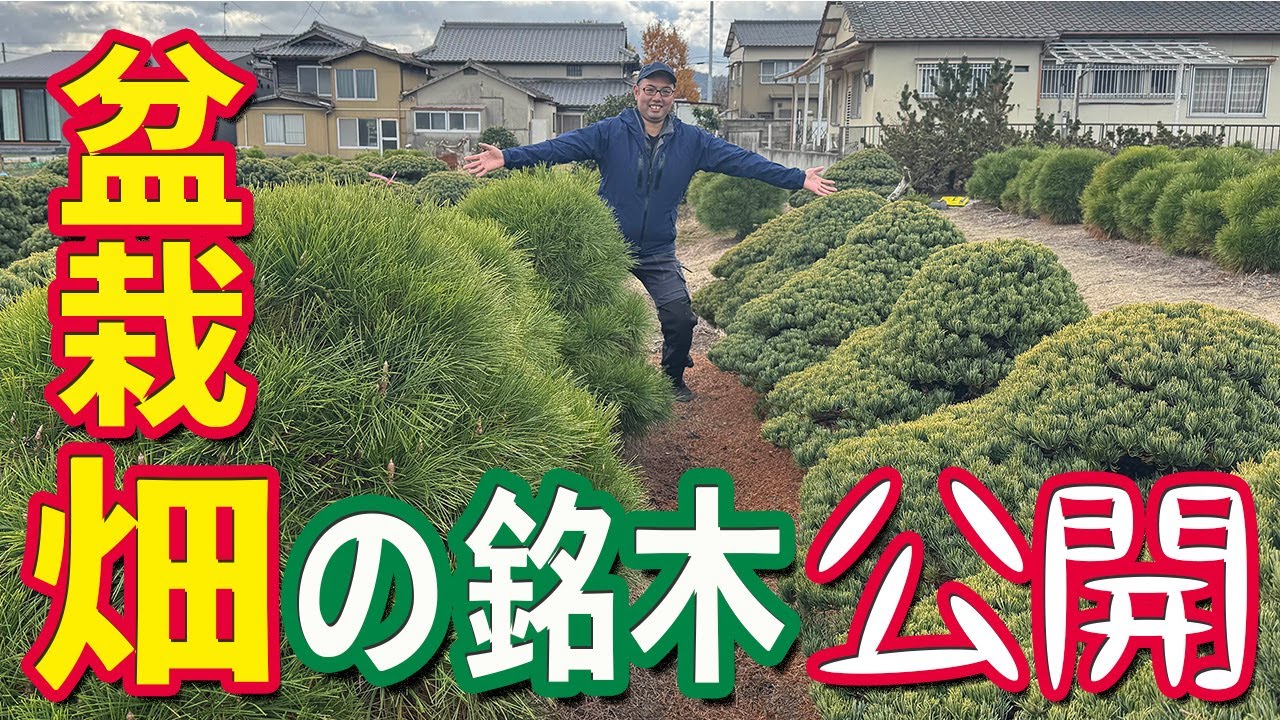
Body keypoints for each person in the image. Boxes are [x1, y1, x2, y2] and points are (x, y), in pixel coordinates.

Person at [463, 61, 836, 402]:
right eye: (650, 89)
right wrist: (507, 157)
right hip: (607, 241)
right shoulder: (609, 132)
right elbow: (560, 147)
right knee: (584, 315)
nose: (656, 97)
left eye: (665, 91)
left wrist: (796, 177)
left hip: (657, 248)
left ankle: (672, 378)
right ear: (636, 92)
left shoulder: (694, 141)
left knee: (679, 315)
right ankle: (579, 380)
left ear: (674, 96)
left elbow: (743, 161)